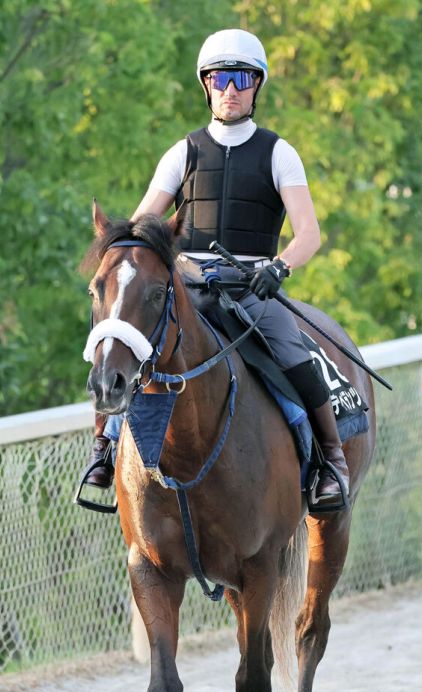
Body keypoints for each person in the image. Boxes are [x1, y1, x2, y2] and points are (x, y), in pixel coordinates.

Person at [85, 29, 349, 508]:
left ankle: (332, 459)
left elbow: (308, 235)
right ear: (206, 85)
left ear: (256, 86)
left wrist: (279, 268)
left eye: (241, 78)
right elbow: (143, 225)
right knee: (124, 339)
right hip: (187, 285)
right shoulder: (182, 152)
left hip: (252, 288)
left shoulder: (279, 153)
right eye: (220, 78)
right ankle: (105, 445)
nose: (231, 89)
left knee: (293, 352)